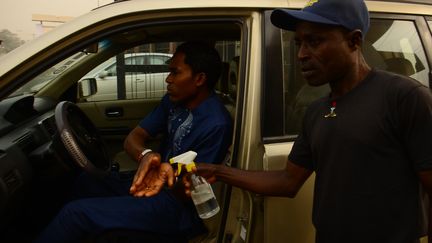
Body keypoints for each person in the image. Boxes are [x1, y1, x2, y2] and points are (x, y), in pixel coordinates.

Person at [137, 1, 432, 243]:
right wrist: (216, 170)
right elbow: (288, 181)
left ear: (354, 41)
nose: (302, 54)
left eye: (315, 41)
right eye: (299, 43)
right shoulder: (318, 110)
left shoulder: (404, 98)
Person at [34, 41, 233, 242]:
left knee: (75, 214)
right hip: (155, 184)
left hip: (176, 207)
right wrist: (145, 155)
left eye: (175, 72)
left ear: (199, 79)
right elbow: (134, 138)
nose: (168, 79)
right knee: (86, 182)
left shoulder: (217, 124)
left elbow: (191, 188)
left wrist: (160, 182)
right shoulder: (174, 102)